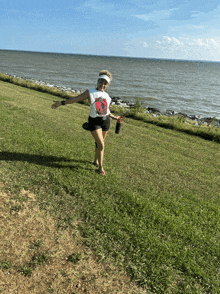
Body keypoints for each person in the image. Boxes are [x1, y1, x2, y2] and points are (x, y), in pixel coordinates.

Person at [51, 70, 120, 176]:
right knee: (101, 144)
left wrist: (115, 117)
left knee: (98, 144)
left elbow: (107, 110)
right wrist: (61, 103)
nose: (102, 85)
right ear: (97, 82)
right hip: (94, 122)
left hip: (106, 122)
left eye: (105, 83)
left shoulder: (107, 96)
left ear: (107, 85)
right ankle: (100, 168)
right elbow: (76, 99)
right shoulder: (90, 92)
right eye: (101, 82)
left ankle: (96, 161)